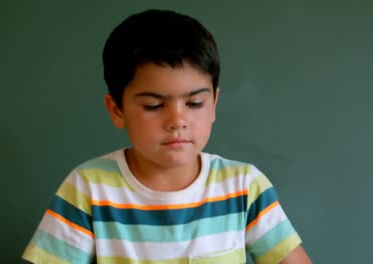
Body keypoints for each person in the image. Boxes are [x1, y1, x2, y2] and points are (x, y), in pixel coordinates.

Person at [22, 9, 312, 264]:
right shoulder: (88, 188)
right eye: (153, 106)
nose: (177, 121)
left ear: (214, 104)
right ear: (117, 109)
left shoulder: (244, 187)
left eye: (195, 103)